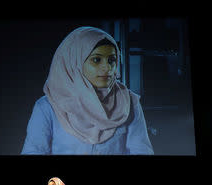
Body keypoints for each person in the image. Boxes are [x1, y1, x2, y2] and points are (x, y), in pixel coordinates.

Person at [21, 26, 154, 155]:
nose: (107, 68)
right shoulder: (48, 107)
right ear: (75, 62)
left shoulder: (128, 102)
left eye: (111, 60)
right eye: (96, 60)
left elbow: (141, 151)